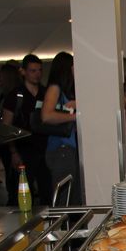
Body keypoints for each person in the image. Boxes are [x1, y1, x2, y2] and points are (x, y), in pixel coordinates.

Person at [2, 54, 51, 206]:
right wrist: (13, 152)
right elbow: (6, 127)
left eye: (39, 70)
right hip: (24, 150)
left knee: (47, 192)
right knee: (24, 194)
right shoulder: (15, 95)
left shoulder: (46, 93)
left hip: (45, 149)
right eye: (33, 71)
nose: (37, 74)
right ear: (23, 72)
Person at [40, 51, 81, 206]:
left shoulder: (63, 91)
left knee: (70, 197)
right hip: (61, 150)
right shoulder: (55, 88)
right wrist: (74, 116)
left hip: (65, 150)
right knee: (64, 198)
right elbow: (46, 116)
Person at [0, 61, 20, 185]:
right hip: (8, 137)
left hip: (10, 136)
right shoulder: (0, 92)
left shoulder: (10, 94)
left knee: (13, 171)